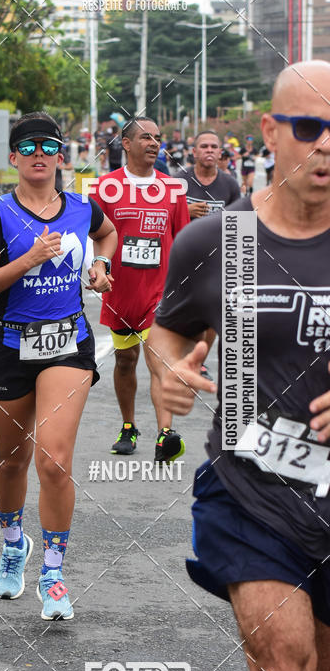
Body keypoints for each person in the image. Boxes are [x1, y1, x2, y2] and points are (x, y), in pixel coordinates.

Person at [149, 60, 330, 671]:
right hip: (253, 492)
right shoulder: (216, 242)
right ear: (270, 132)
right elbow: (168, 329)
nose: (326, 146)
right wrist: (169, 372)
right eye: (311, 128)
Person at [0, 111, 117, 621]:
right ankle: (14, 544)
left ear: (61, 155)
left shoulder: (81, 207)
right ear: (13, 158)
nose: (38, 153)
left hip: (67, 344)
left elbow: (108, 234)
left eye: (48, 145)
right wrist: (27, 259)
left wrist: (101, 267)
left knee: (53, 460)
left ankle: (53, 572)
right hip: (8, 346)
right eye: (27, 146)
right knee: (11, 460)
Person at [91, 116, 190, 460]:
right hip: (119, 292)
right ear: (126, 143)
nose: (153, 143)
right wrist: (97, 268)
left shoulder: (171, 189)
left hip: (158, 292)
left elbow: (181, 241)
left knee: (158, 359)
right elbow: (94, 236)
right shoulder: (106, 187)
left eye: (158, 138)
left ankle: (166, 434)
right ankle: (129, 426)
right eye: (145, 137)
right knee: (124, 362)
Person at [180, 129, 240, 381]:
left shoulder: (229, 184)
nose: (209, 151)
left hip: (218, 260)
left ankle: (199, 361)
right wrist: (186, 209)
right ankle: (189, 356)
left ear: (220, 152)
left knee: (212, 315)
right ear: (194, 152)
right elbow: (164, 216)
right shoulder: (179, 181)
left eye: (214, 147)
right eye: (203, 146)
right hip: (184, 257)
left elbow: (241, 222)